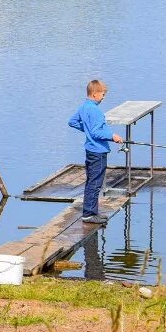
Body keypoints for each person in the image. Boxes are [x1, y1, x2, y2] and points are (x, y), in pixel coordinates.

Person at [67, 79, 124, 225]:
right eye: (103, 94)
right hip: (98, 151)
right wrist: (113, 136)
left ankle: (90, 211)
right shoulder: (96, 111)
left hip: (90, 150)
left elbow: (72, 122)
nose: (104, 97)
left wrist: (86, 129)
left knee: (91, 180)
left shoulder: (84, 107)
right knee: (95, 182)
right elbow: (96, 132)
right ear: (94, 94)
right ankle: (89, 214)